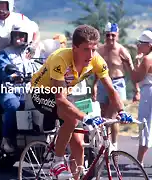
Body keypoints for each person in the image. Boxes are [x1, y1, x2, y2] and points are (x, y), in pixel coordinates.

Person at [30, 24, 134, 180]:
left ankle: (77, 176)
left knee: (78, 141)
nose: (91, 54)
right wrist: (86, 118)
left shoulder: (96, 60)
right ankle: (57, 161)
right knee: (72, 120)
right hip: (42, 92)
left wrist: (122, 111)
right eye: (86, 49)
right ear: (74, 48)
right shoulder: (60, 59)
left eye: (94, 49)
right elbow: (59, 99)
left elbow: (112, 91)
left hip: (64, 92)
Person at [0, 0, 36, 145]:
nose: (1, 10)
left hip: (16, 63)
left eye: (4, 5)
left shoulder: (20, 18)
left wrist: (33, 46)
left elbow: (35, 31)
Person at [92, 22, 140, 150]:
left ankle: (114, 144)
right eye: (108, 35)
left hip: (118, 83)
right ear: (104, 36)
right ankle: (105, 144)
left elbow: (131, 71)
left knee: (112, 116)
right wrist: (94, 86)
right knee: (103, 115)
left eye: (113, 35)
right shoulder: (100, 50)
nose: (110, 38)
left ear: (117, 35)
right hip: (103, 83)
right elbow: (98, 69)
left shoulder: (121, 50)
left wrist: (137, 89)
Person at [0, 20, 42, 153]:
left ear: (27, 36)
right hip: (10, 90)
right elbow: (2, 69)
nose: (18, 38)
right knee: (14, 106)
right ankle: (7, 139)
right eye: (15, 35)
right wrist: (12, 77)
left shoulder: (33, 52)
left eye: (21, 35)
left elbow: (42, 66)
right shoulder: (6, 52)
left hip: (29, 90)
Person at [126, 30, 152, 167]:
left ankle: (139, 161)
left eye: (141, 43)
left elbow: (136, 77)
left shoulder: (147, 59)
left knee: (145, 125)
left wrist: (134, 63)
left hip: (148, 92)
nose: (138, 46)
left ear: (148, 45)